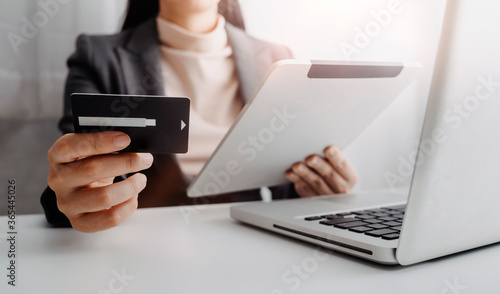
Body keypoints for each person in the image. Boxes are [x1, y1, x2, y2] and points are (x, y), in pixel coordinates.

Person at [41, 0, 358, 233]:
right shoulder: (97, 57)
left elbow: (285, 180)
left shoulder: (280, 60)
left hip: (252, 239)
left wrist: (315, 189)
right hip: (140, 244)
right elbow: (74, 176)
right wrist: (73, 194)